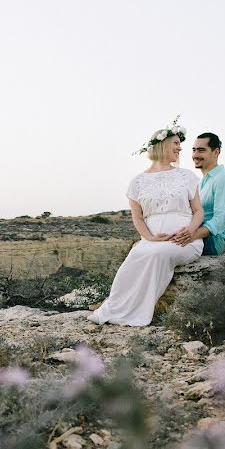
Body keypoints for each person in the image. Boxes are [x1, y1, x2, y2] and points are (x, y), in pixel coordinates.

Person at [88, 118, 204, 326]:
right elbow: (138, 217)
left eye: (179, 144)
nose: (180, 148)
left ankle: (137, 313)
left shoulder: (186, 176)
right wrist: (150, 237)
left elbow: (198, 211)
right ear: (162, 145)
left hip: (185, 241)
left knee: (159, 254)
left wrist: (191, 231)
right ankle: (114, 308)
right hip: (152, 241)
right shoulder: (137, 182)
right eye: (176, 143)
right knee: (136, 256)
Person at [170, 132, 225, 254]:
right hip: (198, 235)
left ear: (216, 152)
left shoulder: (223, 179)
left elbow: (220, 220)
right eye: (194, 150)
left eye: (201, 150)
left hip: (212, 241)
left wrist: (192, 235)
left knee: (162, 250)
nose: (195, 155)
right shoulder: (202, 182)